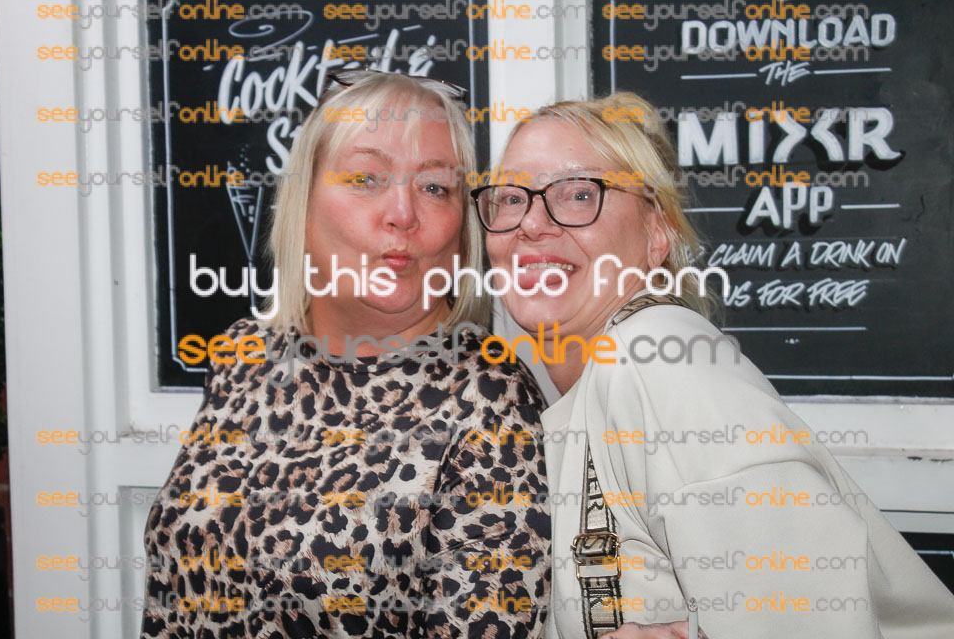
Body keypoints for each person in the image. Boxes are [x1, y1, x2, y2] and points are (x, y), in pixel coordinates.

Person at [478, 91, 954, 638]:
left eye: (580, 194)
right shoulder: (606, 375)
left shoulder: (654, 357)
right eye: (510, 198)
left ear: (657, 233)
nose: (532, 223)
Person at [140, 71, 551, 639]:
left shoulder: (490, 398)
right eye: (365, 178)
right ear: (303, 200)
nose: (403, 213)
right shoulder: (242, 355)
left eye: (435, 187)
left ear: (462, 229)